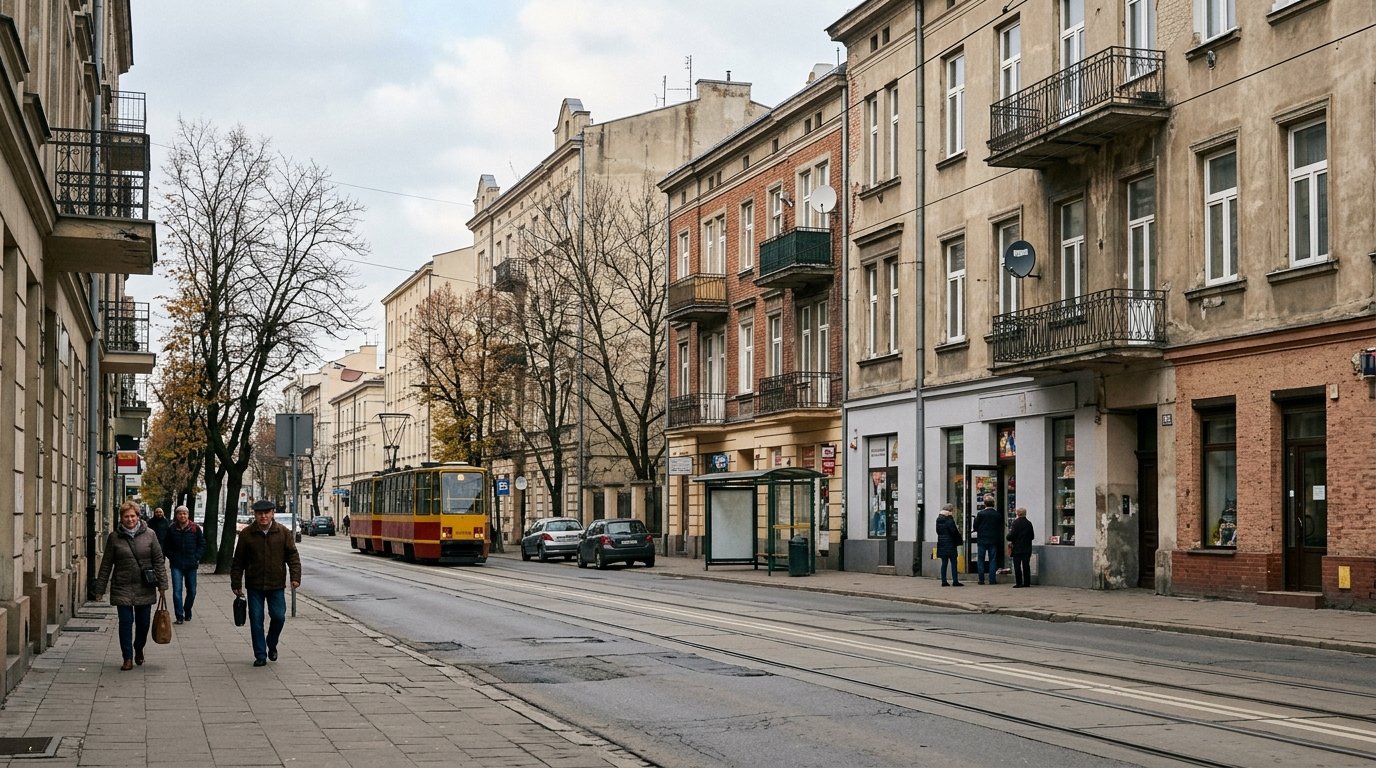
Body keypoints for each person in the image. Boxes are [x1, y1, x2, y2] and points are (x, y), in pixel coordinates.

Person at [92, 500, 170, 671]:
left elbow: (158, 560)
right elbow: (106, 564)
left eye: (132, 516)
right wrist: (99, 589)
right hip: (122, 586)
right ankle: (127, 657)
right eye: (126, 516)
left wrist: (162, 585)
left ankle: (139, 647)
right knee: (125, 623)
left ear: (138, 516)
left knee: (143, 624)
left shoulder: (150, 534)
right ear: (121, 518)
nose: (130, 519)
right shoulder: (114, 537)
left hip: (144, 586)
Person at [231, 499, 302, 667]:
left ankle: (271, 642)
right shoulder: (247, 534)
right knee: (256, 619)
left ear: (272, 513)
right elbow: (238, 560)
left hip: (276, 584)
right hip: (254, 584)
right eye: (259, 513)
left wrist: (295, 577)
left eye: (266, 513)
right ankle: (260, 654)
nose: (263, 516)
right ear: (255, 514)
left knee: (278, 617)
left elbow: (293, 556)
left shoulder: (283, 532)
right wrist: (236, 583)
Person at [162, 505, 206, 624]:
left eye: (184, 513)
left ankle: (187, 609)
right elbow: (165, 546)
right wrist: (172, 556)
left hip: (191, 564)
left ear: (188, 515)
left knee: (192, 590)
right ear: (176, 515)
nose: (182, 515)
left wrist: (196, 557)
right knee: (177, 591)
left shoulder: (195, 529)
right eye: (180, 513)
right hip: (176, 564)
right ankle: (179, 615)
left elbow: (202, 544)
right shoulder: (172, 529)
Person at [973, 493, 1002, 585]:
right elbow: (1000, 527)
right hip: (993, 540)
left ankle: (981, 579)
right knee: (992, 559)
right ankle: (992, 580)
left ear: (985, 504)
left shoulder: (980, 514)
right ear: (993, 504)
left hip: (982, 539)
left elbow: (975, 526)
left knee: (980, 559)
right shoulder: (997, 515)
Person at [935, 504, 964, 587]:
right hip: (950, 543)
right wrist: (959, 539)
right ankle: (955, 581)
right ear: (950, 511)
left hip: (941, 543)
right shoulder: (949, 519)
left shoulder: (939, 519)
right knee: (954, 562)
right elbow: (953, 531)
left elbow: (938, 531)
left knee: (944, 563)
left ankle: (944, 581)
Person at [1008, 506, 1035, 588]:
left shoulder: (1015, 523)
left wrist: (1008, 537)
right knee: (1026, 565)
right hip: (1027, 548)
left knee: (1017, 566)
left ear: (1018, 513)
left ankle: (1019, 583)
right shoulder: (1029, 523)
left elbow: (1011, 535)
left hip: (1017, 548)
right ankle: (1027, 582)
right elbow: (1032, 536)